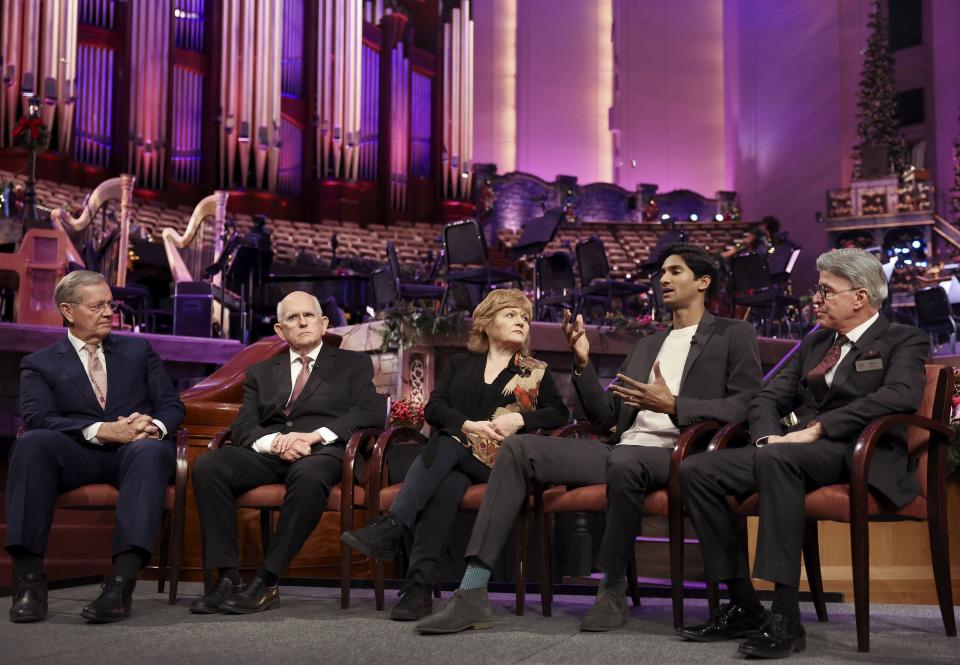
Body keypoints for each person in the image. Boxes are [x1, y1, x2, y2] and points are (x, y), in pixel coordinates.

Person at [414, 243, 762, 634]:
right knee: (519, 448)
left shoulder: (733, 333)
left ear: (703, 281)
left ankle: (611, 590)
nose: (663, 279)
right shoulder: (648, 344)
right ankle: (473, 592)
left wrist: (675, 405)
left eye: (675, 271)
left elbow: (746, 404)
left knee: (625, 461)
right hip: (622, 449)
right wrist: (581, 362)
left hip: (680, 454)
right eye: (661, 272)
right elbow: (607, 418)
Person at [677, 248, 929, 659]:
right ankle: (742, 601)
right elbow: (764, 400)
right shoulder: (815, 343)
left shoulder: (902, 338)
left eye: (825, 290)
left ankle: (786, 618)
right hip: (792, 451)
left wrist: (819, 430)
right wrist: (766, 439)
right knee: (697, 470)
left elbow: (900, 395)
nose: (815, 298)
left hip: (857, 451)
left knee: (780, 460)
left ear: (859, 297)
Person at [340, 289, 569, 621]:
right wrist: (468, 425)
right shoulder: (461, 364)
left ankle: (393, 525)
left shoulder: (533, 371)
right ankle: (419, 588)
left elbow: (559, 414)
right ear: (486, 324)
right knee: (446, 485)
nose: (521, 321)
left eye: (525, 317)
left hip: (502, 463)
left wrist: (521, 418)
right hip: (462, 460)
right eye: (511, 314)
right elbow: (434, 408)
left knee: (446, 443)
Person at [189, 291, 384, 614]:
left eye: (309, 315)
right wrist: (274, 441)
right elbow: (243, 426)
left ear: (323, 323)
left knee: (309, 477)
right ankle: (227, 578)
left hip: (324, 451)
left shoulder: (354, 364)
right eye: (293, 318)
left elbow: (369, 413)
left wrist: (313, 437)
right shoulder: (261, 372)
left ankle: (266, 580)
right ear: (280, 331)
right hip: (270, 453)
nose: (302, 321)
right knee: (210, 465)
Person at [7, 270, 184, 623]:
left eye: (110, 304)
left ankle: (120, 584)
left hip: (135, 451)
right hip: (77, 452)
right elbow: (39, 416)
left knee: (149, 452)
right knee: (32, 444)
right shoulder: (39, 364)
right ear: (68, 311)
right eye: (98, 306)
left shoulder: (138, 350)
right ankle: (28, 581)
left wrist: (155, 426)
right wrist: (102, 430)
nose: (109, 312)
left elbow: (171, 405)